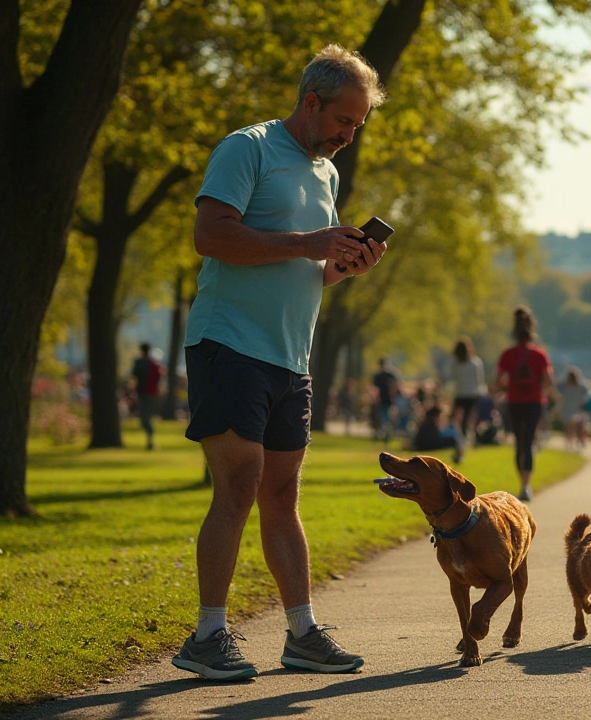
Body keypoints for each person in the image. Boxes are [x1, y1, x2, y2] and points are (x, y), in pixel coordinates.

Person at [174, 45, 388, 681]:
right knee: (238, 485)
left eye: (358, 126)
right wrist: (309, 242)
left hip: (290, 355)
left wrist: (340, 267)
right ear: (311, 102)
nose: (349, 136)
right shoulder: (249, 149)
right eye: (343, 121)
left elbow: (305, 269)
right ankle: (208, 634)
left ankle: (301, 633)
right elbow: (211, 236)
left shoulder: (325, 174)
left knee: (282, 493)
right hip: (229, 342)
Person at [496, 307, 553, 501]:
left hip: (514, 402)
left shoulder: (508, 355)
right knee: (528, 442)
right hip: (534, 402)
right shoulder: (539, 355)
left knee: (519, 443)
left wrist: (509, 386)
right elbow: (548, 381)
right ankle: (526, 485)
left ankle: (523, 481)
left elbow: (499, 381)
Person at [450, 337, 485, 443]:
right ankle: (470, 436)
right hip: (473, 394)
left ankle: (461, 437)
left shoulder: (455, 364)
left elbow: (453, 378)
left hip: (460, 393)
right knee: (469, 418)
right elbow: (480, 380)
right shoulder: (476, 363)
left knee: (456, 418)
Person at [130, 342, 164, 450]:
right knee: (147, 417)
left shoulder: (139, 362)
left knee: (144, 418)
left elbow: (134, 374)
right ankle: (150, 440)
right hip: (151, 393)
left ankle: (150, 440)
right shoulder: (153, 363)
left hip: (143, 393)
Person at [558, 367, 591, 452]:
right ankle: (577, 443)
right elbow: (589, 395)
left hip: (571, 409)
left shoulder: (564, 386)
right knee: (579, 428)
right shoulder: (582, 385)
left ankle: (571, 444)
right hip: (577, 409)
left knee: (570, 428)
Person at [371, 358, 399, 443]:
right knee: (383, 418)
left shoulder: (386, 375)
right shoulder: (382, 376)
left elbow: (394, 387)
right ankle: (386, 434)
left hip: (386, 400)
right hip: (382, 400)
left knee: (384, 418)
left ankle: (386, 434)